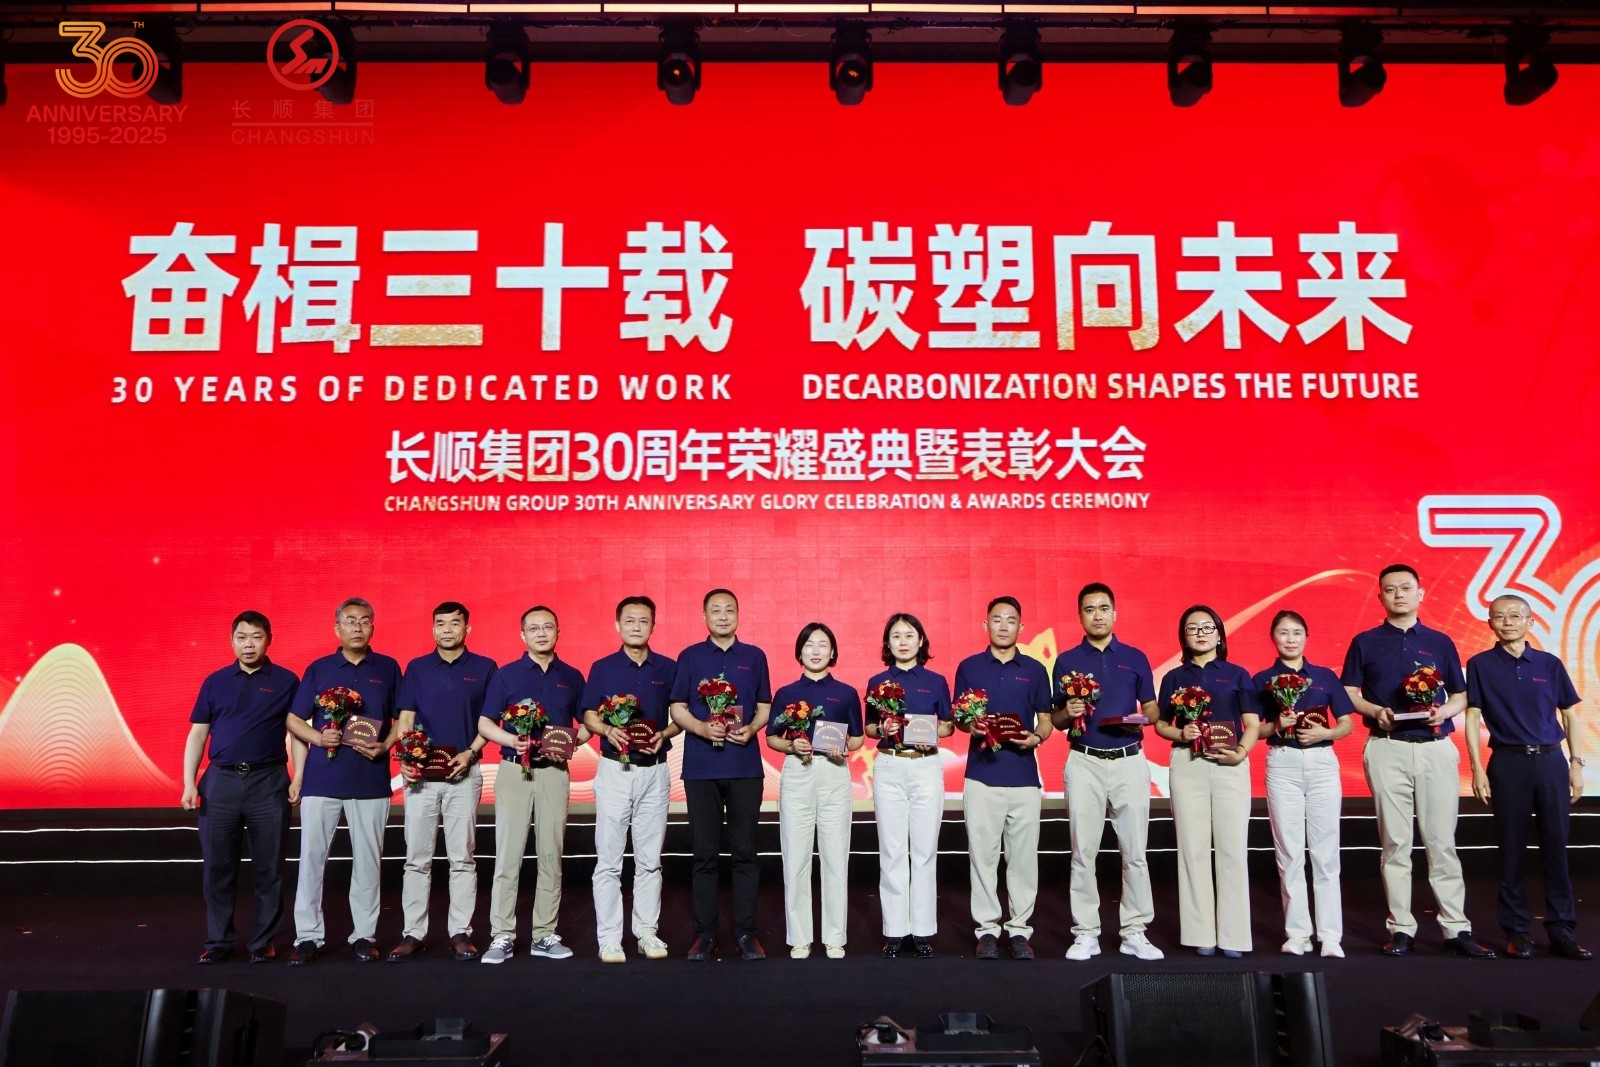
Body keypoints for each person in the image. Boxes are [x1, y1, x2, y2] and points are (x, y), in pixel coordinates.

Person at [1342, 564, 1495, 958]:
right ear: (1380, 596)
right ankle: (1401, 929)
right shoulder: (1365, 641)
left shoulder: (1440, 642)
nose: (1398, 595)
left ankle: (1456, 928)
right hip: (1386, 746)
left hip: (1435, 747)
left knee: (1442, 842)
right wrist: (1375, 711)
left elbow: (1460, 695)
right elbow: (1349, 693)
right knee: (1395, 842)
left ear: (1420, 593)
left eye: (1406, 588)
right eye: (1390, 589)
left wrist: (1444, 712)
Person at [1465, 594, 1591, 960]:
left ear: (1530, 622)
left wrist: (1576, 764)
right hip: (1508, 762)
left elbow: (1569, 714)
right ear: (1490, 623)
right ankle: (1517, 931)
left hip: (1551, 761)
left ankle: (1562, 930)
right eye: (1499, 616)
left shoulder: (1550, 664)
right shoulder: (1480, 664)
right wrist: (1476, 768)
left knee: (1556, 847)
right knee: (1511, 850)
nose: (1507, 621)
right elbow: (1472, 717)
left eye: (1515, 615)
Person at [1050, 582, 1164, 962]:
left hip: (1129, 760)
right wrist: (1069, 712)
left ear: (1115, 613)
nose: (1097, 615)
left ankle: (1135, 931)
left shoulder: (1135, 657)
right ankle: (1086, 933)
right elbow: (1057, 719)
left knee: (1135, 852)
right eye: (1089, 609)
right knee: (1083, 852)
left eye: (1103, 608)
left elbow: (1151, 709)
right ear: (1080, 616)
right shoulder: (1066, 661)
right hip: (1084, 761)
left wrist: (1141, 719)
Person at [286, 597, 402, 966]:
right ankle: (308, 936)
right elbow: (293, 719)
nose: (357, 627)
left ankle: (363, 936)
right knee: (311, 861)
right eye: (350, 621)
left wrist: (385, 745)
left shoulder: (388, 668)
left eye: (364, 621)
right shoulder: (319, 668)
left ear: (373, 627)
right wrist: (319, 738)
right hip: (322, 780)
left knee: (368, 863)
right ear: (337, 628)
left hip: (370, 780)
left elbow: (403, 718)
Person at [182, 611, 299, 965]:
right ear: (232, 641)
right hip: (221, 782)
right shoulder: (215, 682)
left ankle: (263, 942)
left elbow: (297, 732)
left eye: (256, 637)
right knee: (218, 868)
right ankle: (219, 941)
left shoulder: (286, 681)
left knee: (269, 868)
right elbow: (198, 734)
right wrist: (189, 782)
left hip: (269, 782)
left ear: (269, 640)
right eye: (242, 637)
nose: (249, 644)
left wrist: (299, 777)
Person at [387, 601, 497, 963]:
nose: (447, 629)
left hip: (464, 773)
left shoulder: (484, 668)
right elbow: (406, 718)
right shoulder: (417, 668)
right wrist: (406, 758)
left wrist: (471, 753)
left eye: (454, 623)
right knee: (416, 858)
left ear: (468, 628)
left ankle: (460, 933)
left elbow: (490, 721)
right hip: (421, 776)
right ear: (433, 628)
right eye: (440, 623)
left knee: (462, 857)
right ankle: (412, 933)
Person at [477, 605, 587, 964]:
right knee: (508, 855)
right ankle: (502, 935)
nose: (542, 633)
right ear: (522, 635)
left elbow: (589, 722)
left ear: (558, 632)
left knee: (551, 855)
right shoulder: (506, 675)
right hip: (514, 771)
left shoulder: (571, 676)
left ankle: (544, 934)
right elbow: (485, 724)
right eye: (534, 628)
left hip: (554, 772)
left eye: (548, 627)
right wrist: (512, 741)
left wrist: (570, 744)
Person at [669, 588, 773, 961]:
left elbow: (764, 705)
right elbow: (677, 706)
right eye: (716, 610)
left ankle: (746, 934)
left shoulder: (754, 656)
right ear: (705, 617)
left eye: (730, 610)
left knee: (745, 852)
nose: (723, 616)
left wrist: (752, 729)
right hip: (701, 768)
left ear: (738, 615)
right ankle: (705, 935)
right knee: (704, 854)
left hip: (744, 766)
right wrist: (701, 728)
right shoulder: (690, 657)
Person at [1154, 605, 1259, 957]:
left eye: (1207, 627)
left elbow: (1252, 723)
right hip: (1188, 764)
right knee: (1192, 849)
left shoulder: (1238, 674)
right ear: (1183, 637)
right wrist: (1181, 732)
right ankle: (1201, 934)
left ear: (1219, 634)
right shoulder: (1174, 678)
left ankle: (1234, 936)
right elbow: (1161, 724)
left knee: (1232, 850)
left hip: (1230, 763)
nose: (1200, 633)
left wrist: (1241, 752)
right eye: (1192, 628)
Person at [954, 596, 1053, 961]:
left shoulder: (1035, 669)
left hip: (1024, 777)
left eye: (1011, 620)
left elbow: (1046, 720)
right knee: (982, 858)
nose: (1004, 626)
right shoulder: (969, 667)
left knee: (1023, 860)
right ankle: (987, 930)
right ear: (986, 625)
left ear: (1020, 627)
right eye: (997, 619)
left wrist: (1037, 738)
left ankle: (1020, 930)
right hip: (982, 776)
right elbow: (960, 718)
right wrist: (972, 726)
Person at [581, 596, 679, 964]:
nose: (636, 626)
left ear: (653, 626)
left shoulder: (668, 668)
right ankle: (609, 938)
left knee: (650, 859)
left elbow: (680, 714)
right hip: (615, 770)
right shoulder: (603, 668)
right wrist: (608, 730)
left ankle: (646, 932)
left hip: (655, 770)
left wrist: (665, 733)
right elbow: (588, 715)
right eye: (630, 620)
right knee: (608, 859)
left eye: (643, 621)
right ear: (617, 625)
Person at [1252, 610, 1354, 958]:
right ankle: (1297, 934)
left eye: (1297, 632)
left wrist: (1327, 733)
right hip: (1283, 763)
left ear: (1307, 637)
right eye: (1283, 633)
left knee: (1326, 851)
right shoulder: (1262, 680)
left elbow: (1346, 723)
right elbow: (1255, 730)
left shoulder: (1325, 677)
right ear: (1273, 638)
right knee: (1289, 851)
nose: (1290, 639)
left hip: (1322, 763)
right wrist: (1276, 725)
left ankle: (1330, 935)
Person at [767, 622, 863, 959]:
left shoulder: (847, 693)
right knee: (796, 857)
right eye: (809, 644)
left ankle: (835, 937)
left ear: (833, 651)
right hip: (798, 773)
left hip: (834, 771)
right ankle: (800, 938)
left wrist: (843, 747)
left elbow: (857, 738)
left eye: (823, 644)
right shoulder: (786, 693)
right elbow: (772, 737)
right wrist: (792, 746)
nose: (816, 650)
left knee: (835, 857)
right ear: (800, 651)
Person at [865, 612, 953, 959]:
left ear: (921, 641)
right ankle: (895, 931)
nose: (903, 641)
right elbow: (868, 728)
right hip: (890, 765)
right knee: (892, 851)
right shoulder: (877, 682)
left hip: (925, 765)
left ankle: (922, 930)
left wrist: (928, 731)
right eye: (896, 636)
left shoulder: (936, 681)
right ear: (888, 643)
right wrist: (883, 730)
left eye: (909, 635)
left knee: (925, 851)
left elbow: (948, 726)